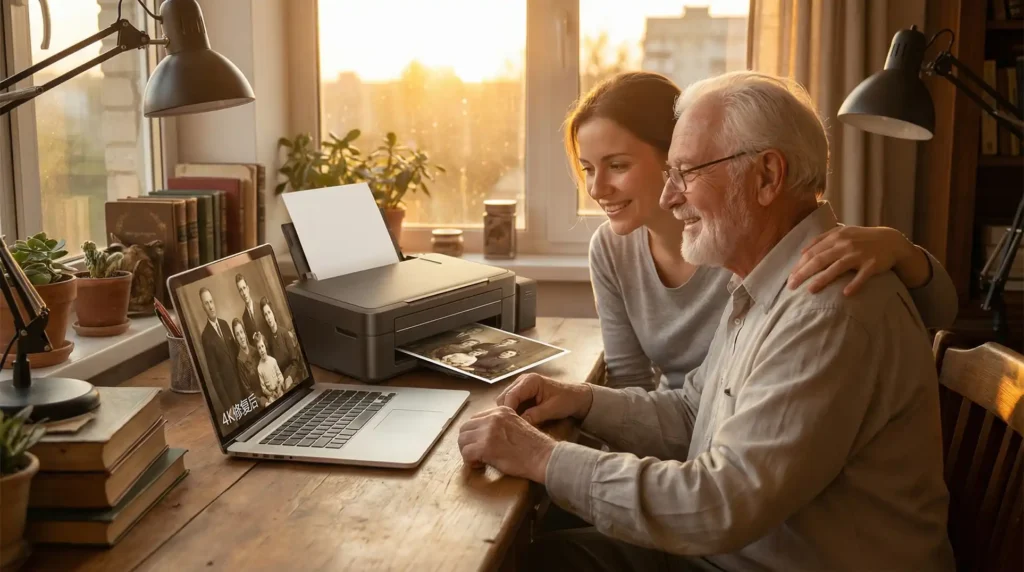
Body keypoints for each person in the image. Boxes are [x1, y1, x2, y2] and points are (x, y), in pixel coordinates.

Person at [458, 71, 955, 571]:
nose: (670, 197)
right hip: (731, 551)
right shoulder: (763, 280)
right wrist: (583, 401)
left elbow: (722, 502)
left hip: (749, 556)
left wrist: (542, 457)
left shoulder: (826, 309)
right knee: (541, 546)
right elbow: (696, 415)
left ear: (767, 177)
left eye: (686, 173)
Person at [565, 71, 956, 391]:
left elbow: (935, 313)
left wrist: (902, 250)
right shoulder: (613, 249)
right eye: (587, 169)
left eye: (618, 165)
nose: (596, 189)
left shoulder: (742, 236)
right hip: (685, 427)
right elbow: (635, 384)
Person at [198, 287, 242, 413]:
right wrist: (228, 406)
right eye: (207, 303)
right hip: (232, 395)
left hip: (243, 385)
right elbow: (215, 375)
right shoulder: (206, 337)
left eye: (211, 302)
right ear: (203, 307)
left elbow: (237, 354)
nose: (211, 306)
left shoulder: (224, 324)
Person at [259, 296, 303, 385]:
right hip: (281, 379)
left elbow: (295, 362)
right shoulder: (269, 341)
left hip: (293, 376)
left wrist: (290, 377)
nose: (268, 317)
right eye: (265, 315)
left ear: (273, 313)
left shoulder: (284, 333)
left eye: (269, 312)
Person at [231, 318, 262, 405]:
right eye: (237, 334)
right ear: (236, 338)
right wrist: (261, 401)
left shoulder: (255, 350)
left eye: (241, 332)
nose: (241, 337)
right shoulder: (240, 361)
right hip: (258, 401)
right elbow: (247, 391)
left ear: (244, 333)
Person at [253, 331, 286, 401]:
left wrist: (279, 386)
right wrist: (271, 393)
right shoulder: (259, 368)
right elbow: (263, 389)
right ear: (257, 350)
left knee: (282, 396)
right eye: (259, 348)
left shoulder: (273, 360)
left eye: (262, 346)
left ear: (265, 346)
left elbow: (280, 375)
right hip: (270, 394)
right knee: (272, 401)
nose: (262, 350)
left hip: (278, 389)